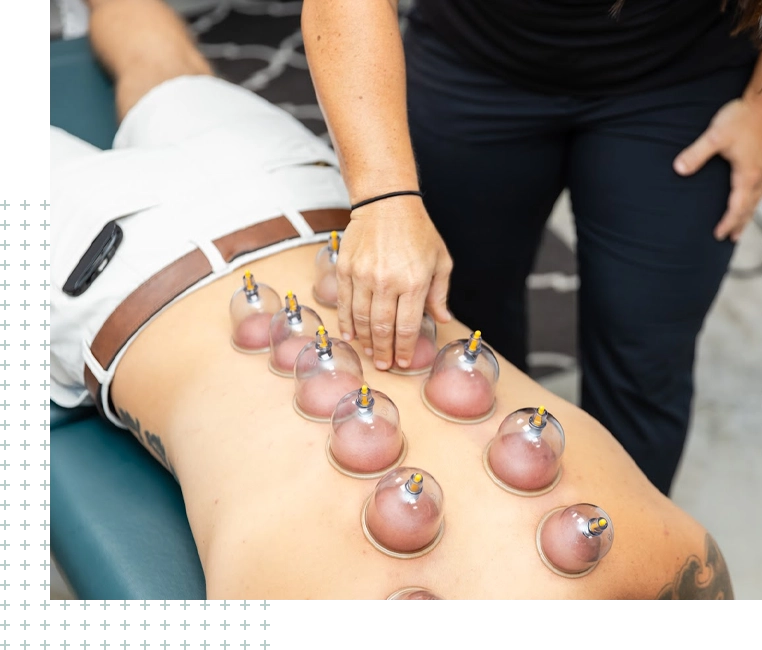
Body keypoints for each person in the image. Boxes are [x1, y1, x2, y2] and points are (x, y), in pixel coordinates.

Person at [50, 0, 735, 600]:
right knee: (161, 60)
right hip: (291, 204)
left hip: (130, 262)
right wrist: (385, 198)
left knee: (159, 63)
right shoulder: (662, 565)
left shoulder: (666, 563)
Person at [300, 1, 762, 496]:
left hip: (681, 80)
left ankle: (620, 548)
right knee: (460, 328)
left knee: (644, 356)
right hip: (473, 61)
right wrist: (385, 198)